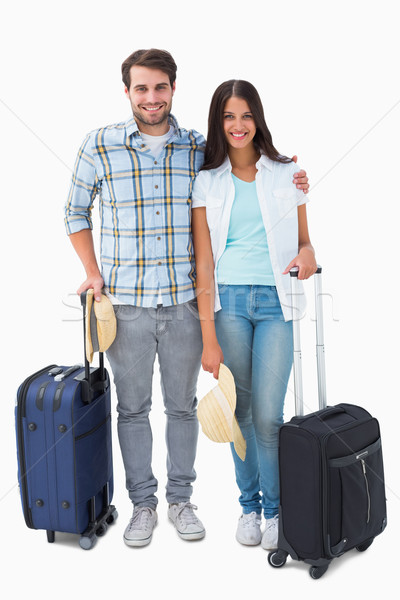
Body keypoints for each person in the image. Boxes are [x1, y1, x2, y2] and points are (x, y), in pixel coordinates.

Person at [64, 49, 310, 548]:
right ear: (127, 91)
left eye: (160, 87)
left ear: (174, 89)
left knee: (188, 408)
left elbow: (250, 170)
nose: (151, 98)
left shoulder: (196, 150)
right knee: (133, 410)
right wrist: (92, 273)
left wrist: (294, 181)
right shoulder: (101, 144)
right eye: (141, 88)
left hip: (184, 304)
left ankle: (182, 500)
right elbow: (74, 213)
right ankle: (144, 505)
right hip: (128, 304)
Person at [191, 79, 317, 551]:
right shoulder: (207, 181)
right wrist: (208, 335)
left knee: (269, 415)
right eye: (228, 116)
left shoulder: (288, 174)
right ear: (218, 124)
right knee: (240, 412)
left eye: (245, 115)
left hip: (276, 304)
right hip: (228, 306)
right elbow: (204, 261)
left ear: (257, 118)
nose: (238, 125)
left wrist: (306, 255)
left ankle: (276, 511)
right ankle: (248, 506)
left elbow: (306, 241)